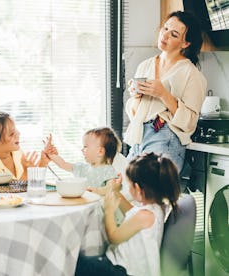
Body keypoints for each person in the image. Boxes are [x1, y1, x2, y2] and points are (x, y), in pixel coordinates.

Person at [124, 11, 207, 173]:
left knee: (154, 195)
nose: (165, 35)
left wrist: (163, 94)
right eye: (165, 28)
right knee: (129, 192)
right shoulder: (145, 66)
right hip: (138, 137)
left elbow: (189, 122)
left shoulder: (192, 74)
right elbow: (134, 114)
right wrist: (136, 97)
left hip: (164, 137)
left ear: (185, 44)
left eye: (174, 34)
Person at [75, 152, 180, 276]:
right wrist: (114, 191)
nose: (128, 188)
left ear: (138, 189)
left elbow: (113, 237)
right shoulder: (157, 207)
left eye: (129, 185)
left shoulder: (144, 216)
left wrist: (109, 211)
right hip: (123, 265)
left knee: (78, 262)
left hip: (124, 270)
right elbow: (131, 211)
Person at [0, 111, 55, 180]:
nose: (18, 134)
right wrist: (26, 172)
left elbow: (33, 183)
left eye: (16, 130)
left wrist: (43, 162)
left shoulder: (17, 153)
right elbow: (10, 196)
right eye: (11, 134)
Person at [45, 127, 122, 194]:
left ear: (100, 151)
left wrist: (97, 191)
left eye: (85, 147)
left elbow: (112, 188)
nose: (82, 149)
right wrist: (50, 153)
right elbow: (63, 164)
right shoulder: (82, 168)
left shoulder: (108, 170)